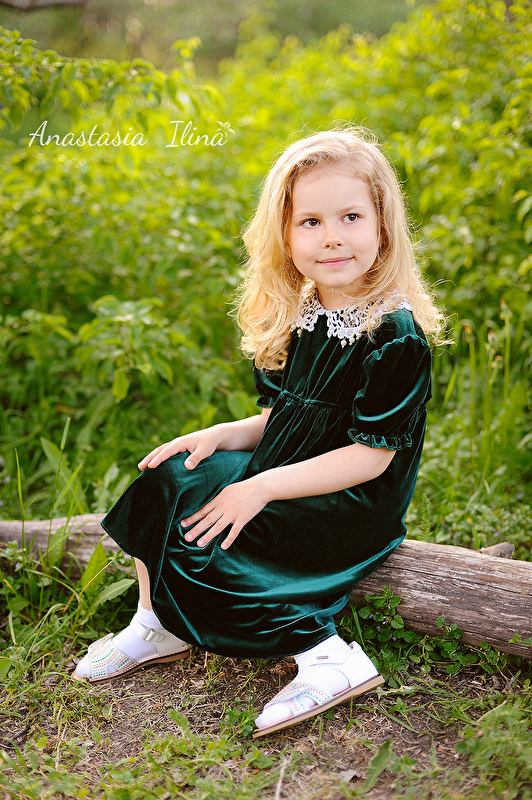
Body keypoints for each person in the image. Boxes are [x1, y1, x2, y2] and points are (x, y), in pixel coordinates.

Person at [73, 127, 445, 737]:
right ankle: (156, 622)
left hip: (348, 495)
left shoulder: (393, 334)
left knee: (224, 538)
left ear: (382, 224)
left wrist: (261, 487)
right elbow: (283, 417)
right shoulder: (303, 311)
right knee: (171, 479)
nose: (332, 237)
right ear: (284, 234)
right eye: (311, 222)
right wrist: (222, 434)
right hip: (283, 463)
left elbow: (370, 457)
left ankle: (328, 657)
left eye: (351, 217)